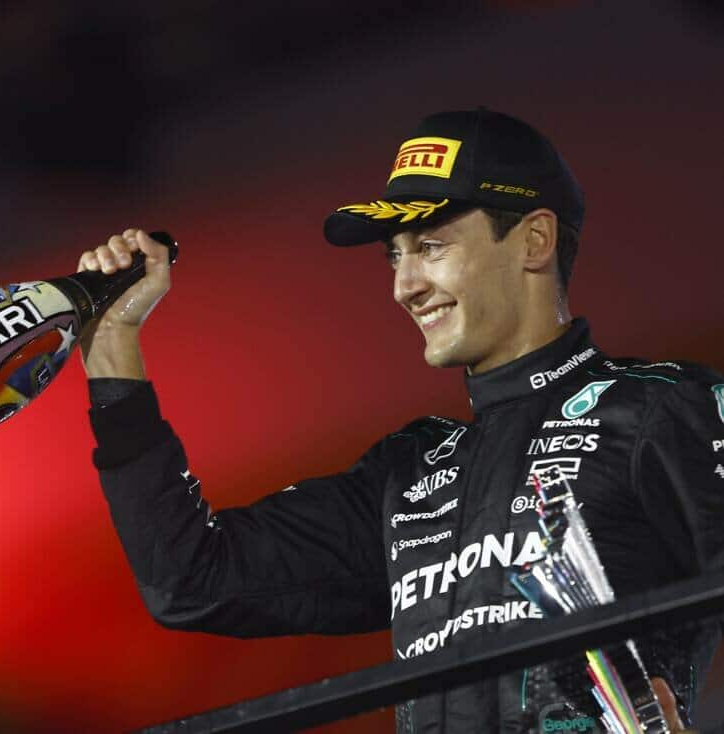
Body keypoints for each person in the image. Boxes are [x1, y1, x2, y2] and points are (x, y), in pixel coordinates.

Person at [75, 108, 723, 733]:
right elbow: (188, 580)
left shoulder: (658, 408)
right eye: (394, 255)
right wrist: (112, 344)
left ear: (534, 241)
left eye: (431, 247)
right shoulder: (405, 476)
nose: (403, 286)